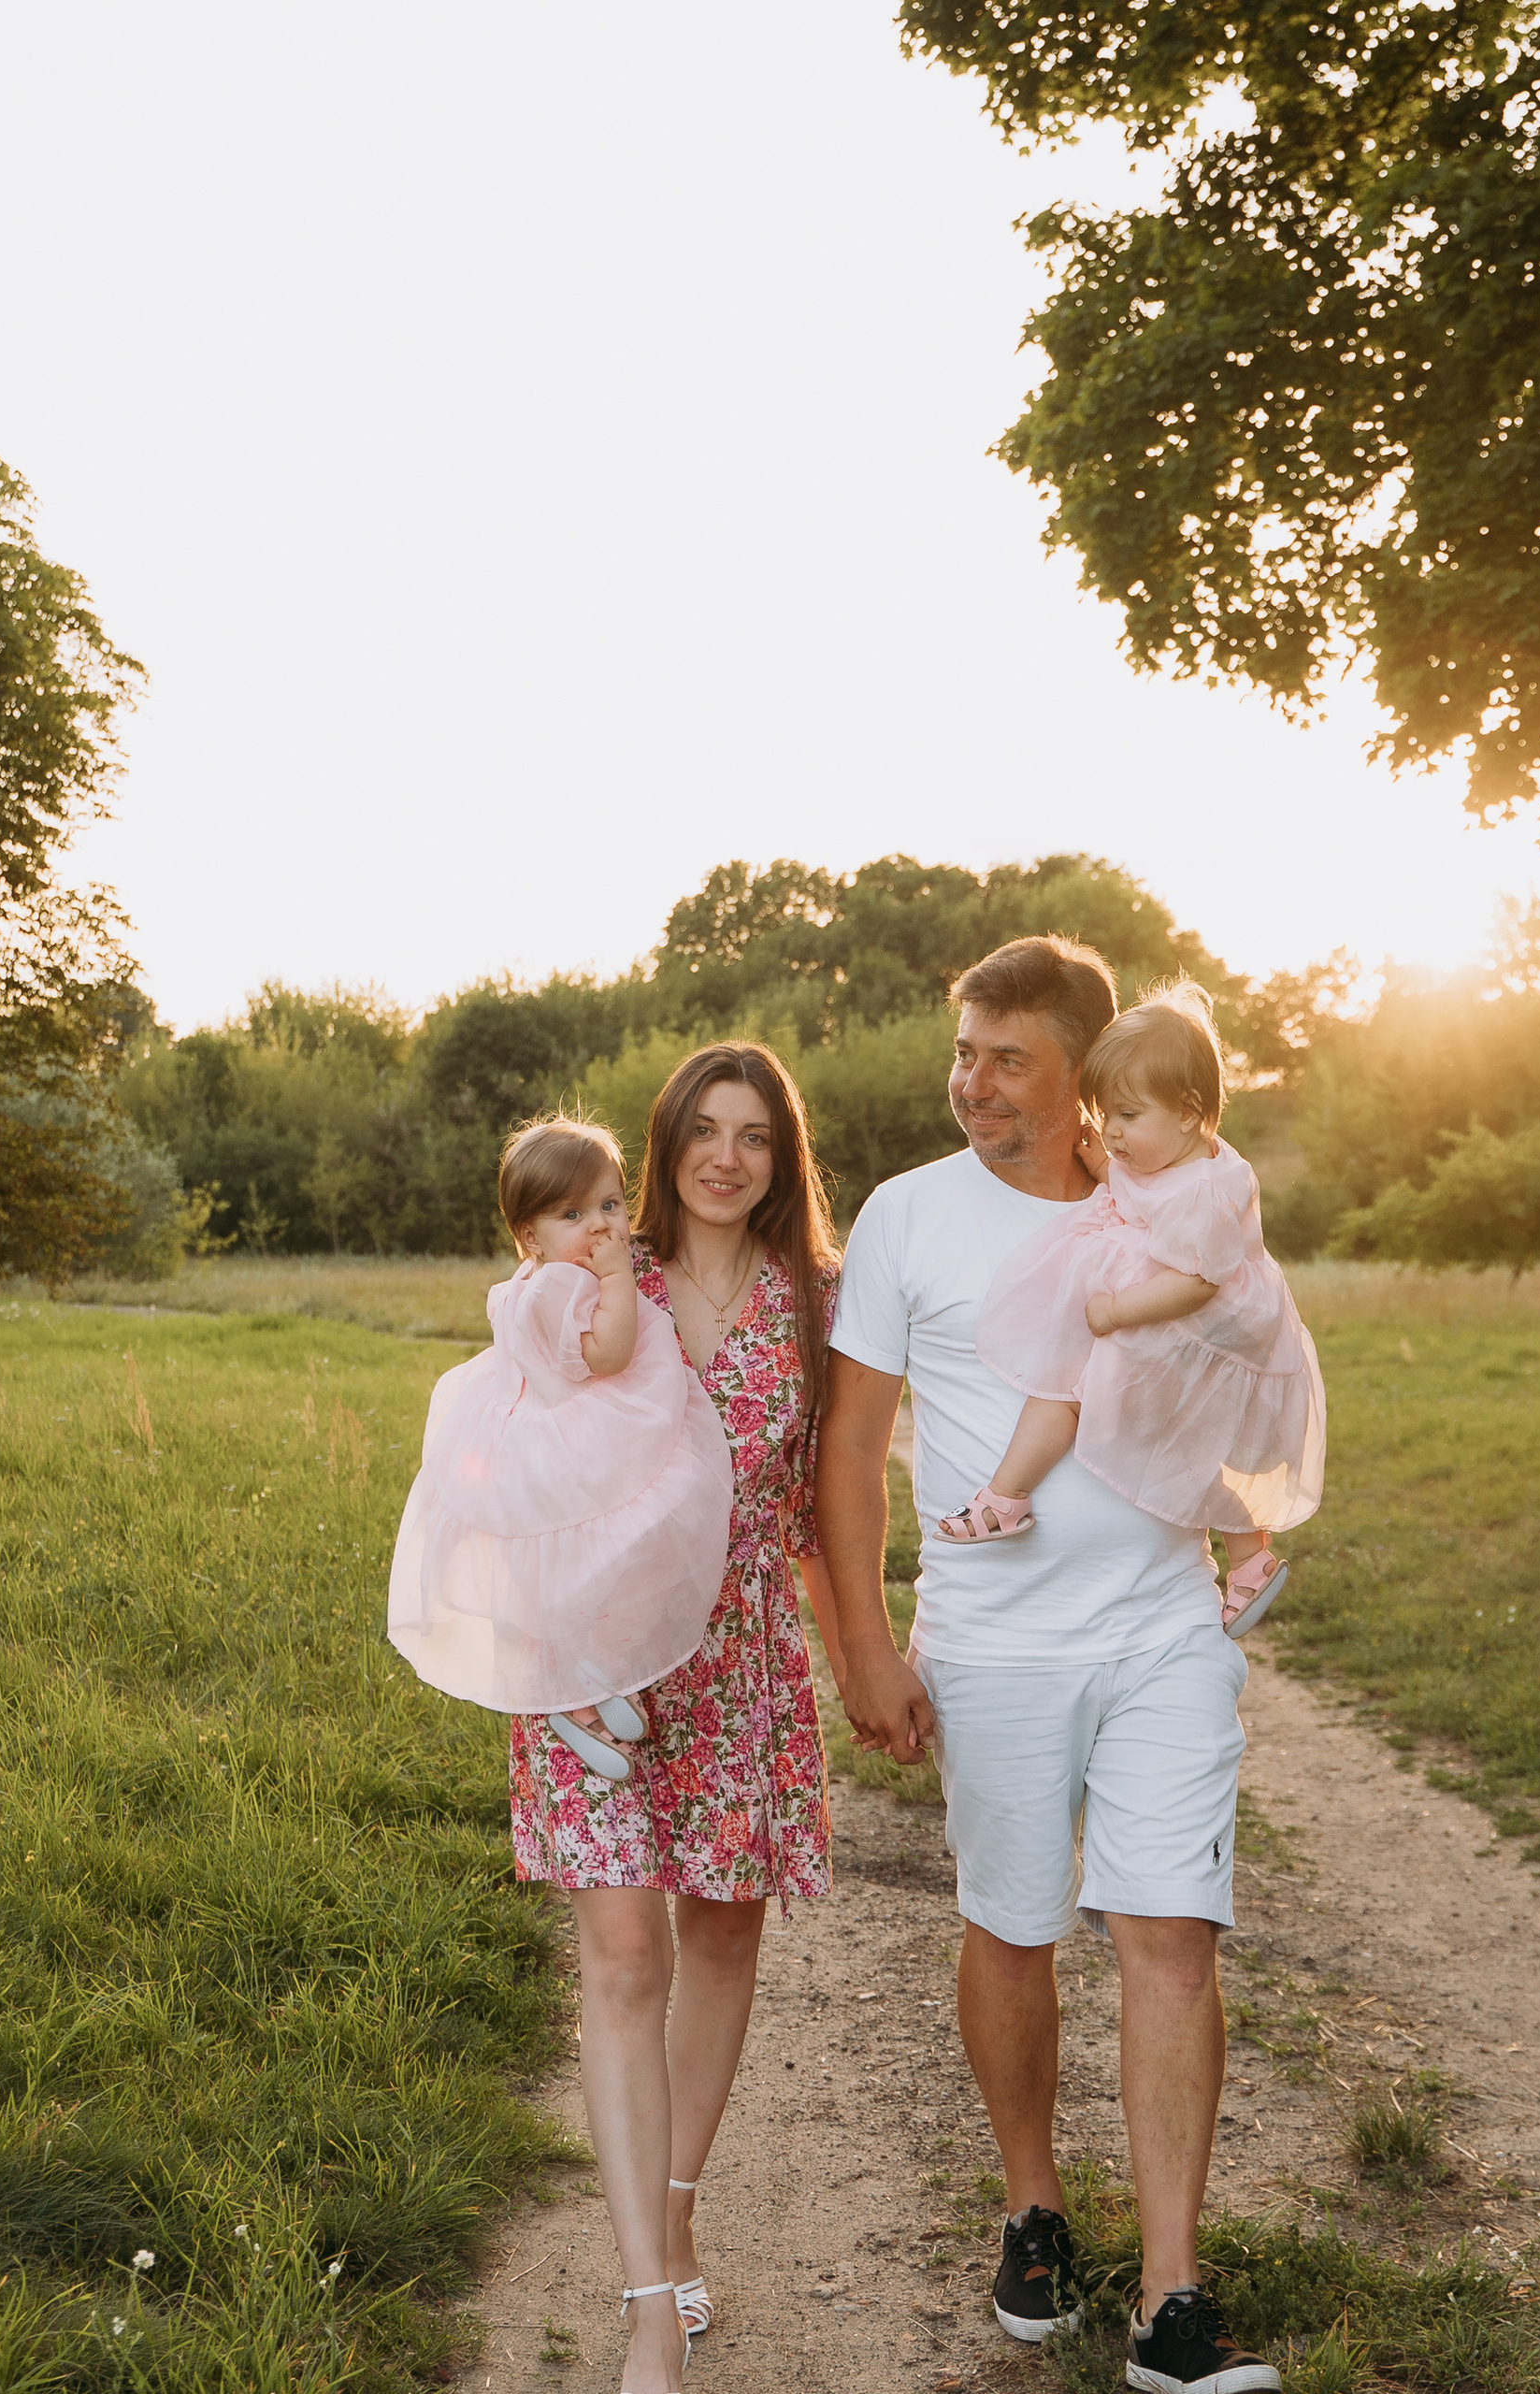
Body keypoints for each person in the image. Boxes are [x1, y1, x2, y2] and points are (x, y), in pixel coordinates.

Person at [819, 937, 1284, 2394]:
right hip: (995, 1634)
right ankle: (1033, 2205)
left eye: (1007, 1059)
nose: (973, 1085)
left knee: (1169, 1927)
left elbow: (1253, 1364)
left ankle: (1172, 2301)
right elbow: (844, 1451)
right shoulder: (908, 1218)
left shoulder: (1179, 1201)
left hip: (1161, 1623)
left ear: (1087, 1074)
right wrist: (868, 1642)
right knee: (1013, 1922)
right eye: (963, 1053)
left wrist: (1257, 1523)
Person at [504, 1043, 842, 2394]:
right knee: (625, 1952)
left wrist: (865, 1651)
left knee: (718, 1935)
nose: (726, 1156)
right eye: (704, 1129)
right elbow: (521, 1456)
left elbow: (836, 1494)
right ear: (665, 1140)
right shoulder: (601, 1270)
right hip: (600, 1650)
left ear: (783, 1157)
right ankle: (650, 2300)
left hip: (747, 1655)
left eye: (754, 1135)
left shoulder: (821, 1298)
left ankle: (680, 2202)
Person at [938, 981, 1325, 1643]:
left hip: (1198, 1327)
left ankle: (1005, 1497)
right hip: (1197, 1328)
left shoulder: (1205, 1189)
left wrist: (1117, 1310)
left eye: (1126, 1116)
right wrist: (1103, 1157)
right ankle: (1251, 1559)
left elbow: (1198, 1281)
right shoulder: (1176, 1155)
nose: (1111, 1132)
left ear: (1190, 1112)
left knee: (1067, 1389)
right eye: (1104, 1114)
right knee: (1185, 1454)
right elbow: (1140, 1188)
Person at [387, 1117, 735, 1780]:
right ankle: (572, 1693)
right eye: (573, 1214)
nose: (602, 1227)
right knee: (632, 1532)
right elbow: (608, 1355)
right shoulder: (566, 1285)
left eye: (610, 1205)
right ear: (530, 1236)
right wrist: (618, 1280)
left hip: (540, 1429)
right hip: (581, 1431)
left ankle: (584, 1679)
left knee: (582, 1566)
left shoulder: (528, 1280)